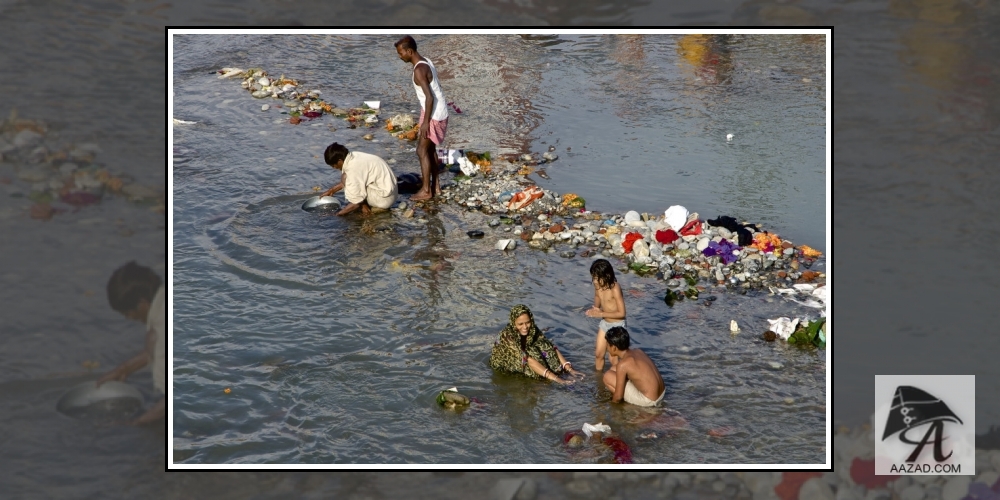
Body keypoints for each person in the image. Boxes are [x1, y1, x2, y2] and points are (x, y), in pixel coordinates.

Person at [96, 261, 165, 424]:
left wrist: (137, 422)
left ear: (142, 305)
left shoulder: (162, 329)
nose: (129, 318)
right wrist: (124, 369)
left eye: (127, 313)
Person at [394, 35, 448, 202]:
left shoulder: (418, 70)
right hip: (435, 111)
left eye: (400, 53)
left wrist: (425, 124)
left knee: (421, 150)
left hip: (434, 114)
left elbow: (429, 97)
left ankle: (426, 190)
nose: (399, 56)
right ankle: (435, 186)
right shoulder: (426, 61)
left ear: (409, 51)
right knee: (430, 150)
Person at [489, 305, 584, 384]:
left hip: (526, 355)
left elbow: (550, 347)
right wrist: (558, 379)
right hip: (509, 364)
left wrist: (569, 369)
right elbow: (526, 359)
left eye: (527, 322)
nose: (525, 327)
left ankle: (553, 372)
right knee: (534, 355)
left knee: (543, 345)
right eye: (520, 324)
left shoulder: (533, 329)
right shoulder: (507, 336)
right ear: (514, 324)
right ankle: (544, 377)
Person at [319, 142, 398, 216]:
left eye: (333, 165)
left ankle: (366, 207)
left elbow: (355, 203)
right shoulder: (354, 156)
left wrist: (338, 214)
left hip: (384, 199)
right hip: (390, 190)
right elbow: (352, 180)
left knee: (349, 184)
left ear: (340, 161)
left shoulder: (352, 169)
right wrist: (332, 190)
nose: (334, 168)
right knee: (348, 179)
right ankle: (364, 205)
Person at [602, 327, 665, 407]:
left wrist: (613, 406)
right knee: (613, 369)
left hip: (649, 401)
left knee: (607, 376)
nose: (607, 348)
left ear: (614, 348)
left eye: (607, 345)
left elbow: (618, 397)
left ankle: (628, 405)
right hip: (661, 393)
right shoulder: (638, 351)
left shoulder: (623, 365)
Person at [585, 259, 627, 371]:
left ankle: (617, 379)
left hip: (617, 325)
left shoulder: (615, 288)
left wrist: (600, 314)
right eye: (593, 277)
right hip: (605, 323)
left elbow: (622, 313)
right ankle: (599, 381)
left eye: (596, 278)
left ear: (607, 275)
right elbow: (598, 297)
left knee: (613, 358)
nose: (594, 281)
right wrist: (596, 308)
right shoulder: (598, 286)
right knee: (599, 354)